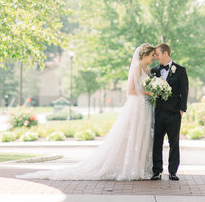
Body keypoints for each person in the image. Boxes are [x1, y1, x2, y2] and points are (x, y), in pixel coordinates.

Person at [17, 43, 156, 181]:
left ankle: (137, 168)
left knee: (140, 137)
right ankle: (127, 169)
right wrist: (148, 92)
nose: (153, 58)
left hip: (145, 107)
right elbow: (130, 90)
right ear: (144, 55)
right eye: (151, 55)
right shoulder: (137, 68)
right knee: (129, 137)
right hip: (136, 107)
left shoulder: (147, 69)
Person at [151, 43, 189, 181]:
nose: (156, 58)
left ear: (165, 53)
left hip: (174, 114)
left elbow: (184, 92)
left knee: (174, 143)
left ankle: (173, 171)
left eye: (158, 55)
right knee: (157, 143)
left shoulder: (180, 70)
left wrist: (182, 110)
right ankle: (157, 171)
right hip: (159, 113)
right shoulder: (154, 71)